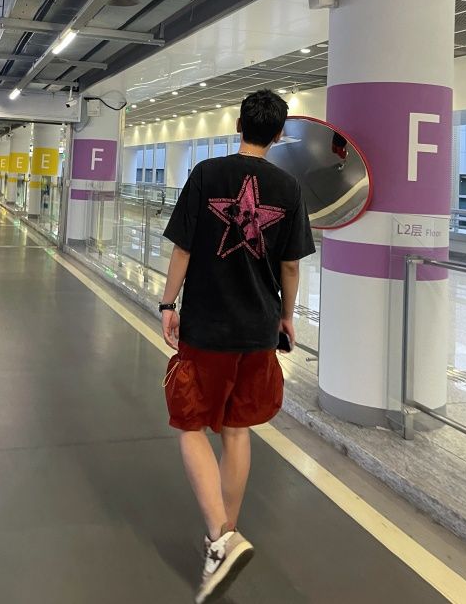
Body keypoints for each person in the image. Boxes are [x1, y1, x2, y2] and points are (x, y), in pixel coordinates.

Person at [160, 90, 315, 603]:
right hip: (258, 329)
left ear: (237, 124)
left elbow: (183, 249)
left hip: (208, 326)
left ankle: (222, 539)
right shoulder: (289, 188)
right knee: (236, 429)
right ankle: (222, 539)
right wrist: (286, 316)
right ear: (279, 134)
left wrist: (168, 303)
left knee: (189, 425)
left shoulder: (207, 174)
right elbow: (290, 265)